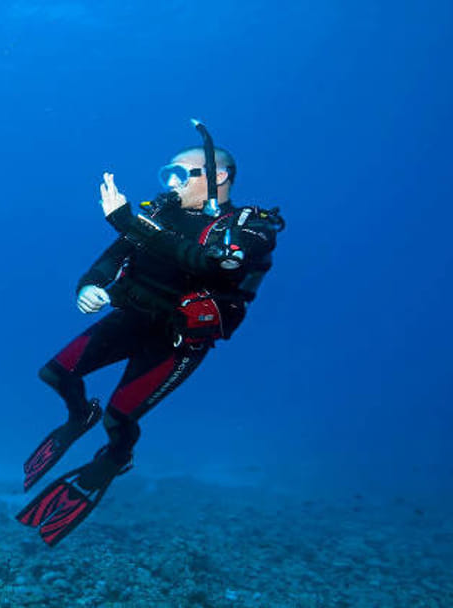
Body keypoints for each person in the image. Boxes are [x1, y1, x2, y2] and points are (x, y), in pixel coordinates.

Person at [17, 138, 283, 546]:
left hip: (178, 340)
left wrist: (128, 220)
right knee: (54, 374)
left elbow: (207, 262)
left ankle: (117, 457)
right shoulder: (159, 213)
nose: (171, 181)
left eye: (183, 173)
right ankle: (77, 418)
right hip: (132, 317)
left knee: (118, 418)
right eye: (168, 172)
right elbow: (112, 256)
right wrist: (88, 286)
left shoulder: (249, 228)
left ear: (220, 177)